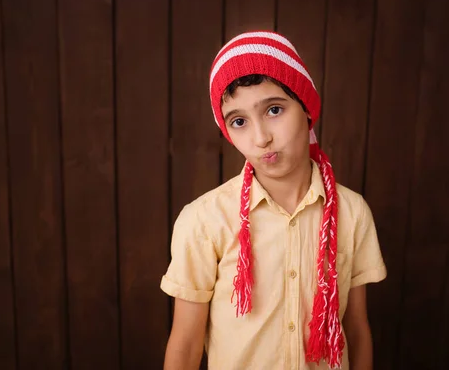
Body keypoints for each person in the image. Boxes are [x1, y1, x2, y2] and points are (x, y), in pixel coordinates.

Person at [160, 31, 387, 370]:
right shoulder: (204, 220)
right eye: (239, 121)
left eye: (275, 110)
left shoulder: (352, 213)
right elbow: (186, 341)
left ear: (307, 108)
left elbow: (355, 328)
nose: (261, 137)